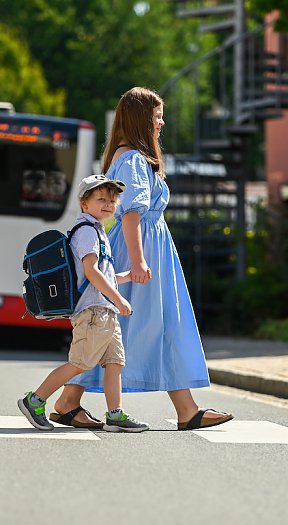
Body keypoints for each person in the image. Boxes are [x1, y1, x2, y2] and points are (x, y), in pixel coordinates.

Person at [51, 86, 234, 431]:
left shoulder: (130, 156)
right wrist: (137, 261)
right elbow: (132, 214)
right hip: (141, 251)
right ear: (140, 119)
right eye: (156, 116)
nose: (161, 122)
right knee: (119, 327)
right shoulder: (133, 158)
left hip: (150, 250)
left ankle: (184, 408)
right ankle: (66, 401)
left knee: (154, 326)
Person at [18, 174, 149, 433]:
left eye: (112, 200)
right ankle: (34, 401)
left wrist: (128, 277)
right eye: (101, 199)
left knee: (115, 363)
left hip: (105, 311)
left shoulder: (99, 231)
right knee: (80, 363)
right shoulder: (87, 231)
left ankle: (115, 415)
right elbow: (91, 272)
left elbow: (104, 274)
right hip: (93, 312)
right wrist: (119, 298)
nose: (108, 204)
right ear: (84, 203)